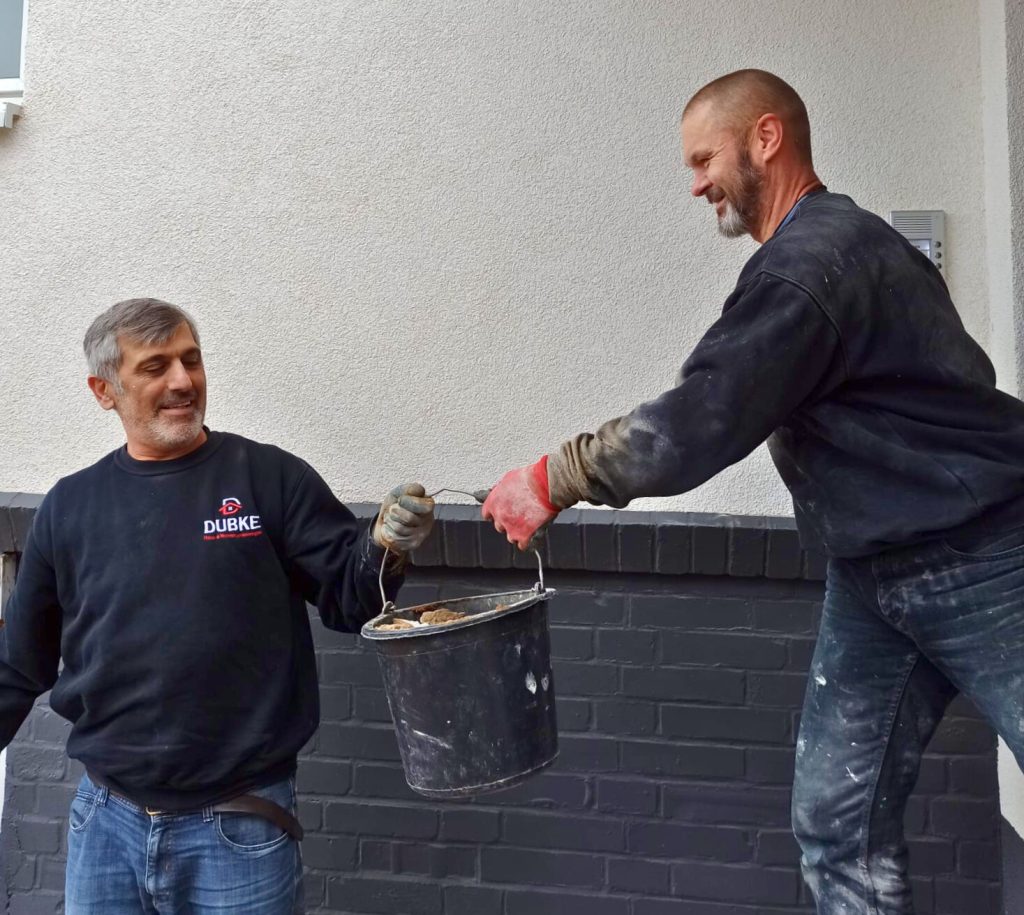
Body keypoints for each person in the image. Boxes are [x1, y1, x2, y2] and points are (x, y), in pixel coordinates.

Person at [482, 69, 1024, 914]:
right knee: (837, 824)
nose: (697, 183)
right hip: (875, 575)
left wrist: (554, 477)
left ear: (765, 138)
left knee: (840, 829)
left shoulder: (810, 267)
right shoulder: (853, 247)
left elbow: (698, 420)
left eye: (704, 158)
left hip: (983, 558)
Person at [0, 297, 436, 914]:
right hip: (105, 821)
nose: (183, 381)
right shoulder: (70, 507)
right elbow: (19, 664)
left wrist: (385, 547)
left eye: (191, 361)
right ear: (105, 391)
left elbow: (351, 599)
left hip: (238, 823)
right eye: (156, 367)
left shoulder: (267, 478)